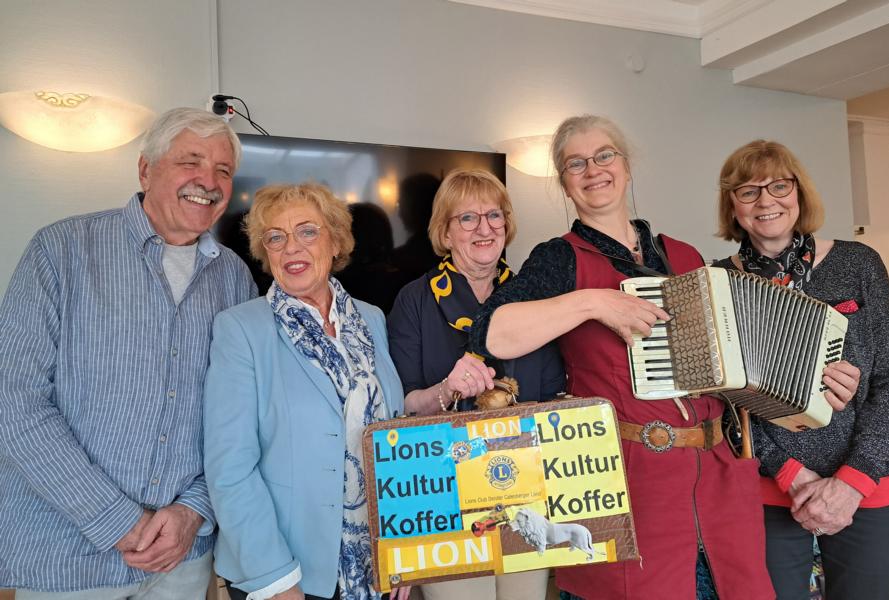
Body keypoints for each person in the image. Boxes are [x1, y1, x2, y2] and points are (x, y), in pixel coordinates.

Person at [468, 115, 776, 599]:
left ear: (626, 166)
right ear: (565, 183)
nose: (593, 169)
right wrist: (593, 302)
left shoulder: (684, 254)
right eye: (576, 163)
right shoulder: (559, 258)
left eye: (604, 155)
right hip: (630, 483)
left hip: (719, 476)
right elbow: (494, 334)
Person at [0, 107, 256, 598]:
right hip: (68, 556)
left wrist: (193, 511)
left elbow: (239, 419)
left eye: (223, 170)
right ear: (145, 170)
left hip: (183, 556)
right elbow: (14, 403)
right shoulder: (62, 250)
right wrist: (116, 519)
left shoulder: (235, 277)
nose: (209, 181)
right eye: (191, 162)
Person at [203, 183, 410, 600]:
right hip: (289, 571)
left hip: (373, 563)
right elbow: (230, 468)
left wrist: (402, 551)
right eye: (275, 237)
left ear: (335, 242)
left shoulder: (370, 320)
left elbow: (393, 437)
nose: (290, 247)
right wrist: (276, 580)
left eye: (307, 232)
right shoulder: (241, 330)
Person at [712, 140, 889, 600]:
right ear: (733, 207)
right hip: (771, 490)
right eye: (748, 191)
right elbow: (722, 400)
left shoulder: (859, 264)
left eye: (778, 185)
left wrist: (854, 480)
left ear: (798, 192)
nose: (766, 201)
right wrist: (789, 472)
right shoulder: (718, 282)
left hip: (868, 486)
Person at [387, 168, 566, 600]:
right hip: (442, 499)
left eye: (494, 216)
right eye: (467, 218)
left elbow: (552, 397)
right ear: (445, 233)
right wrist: (447, 388)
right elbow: (402, 408)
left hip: (524, 495)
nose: (484, 228)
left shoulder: (532, 299)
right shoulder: (415, 299)